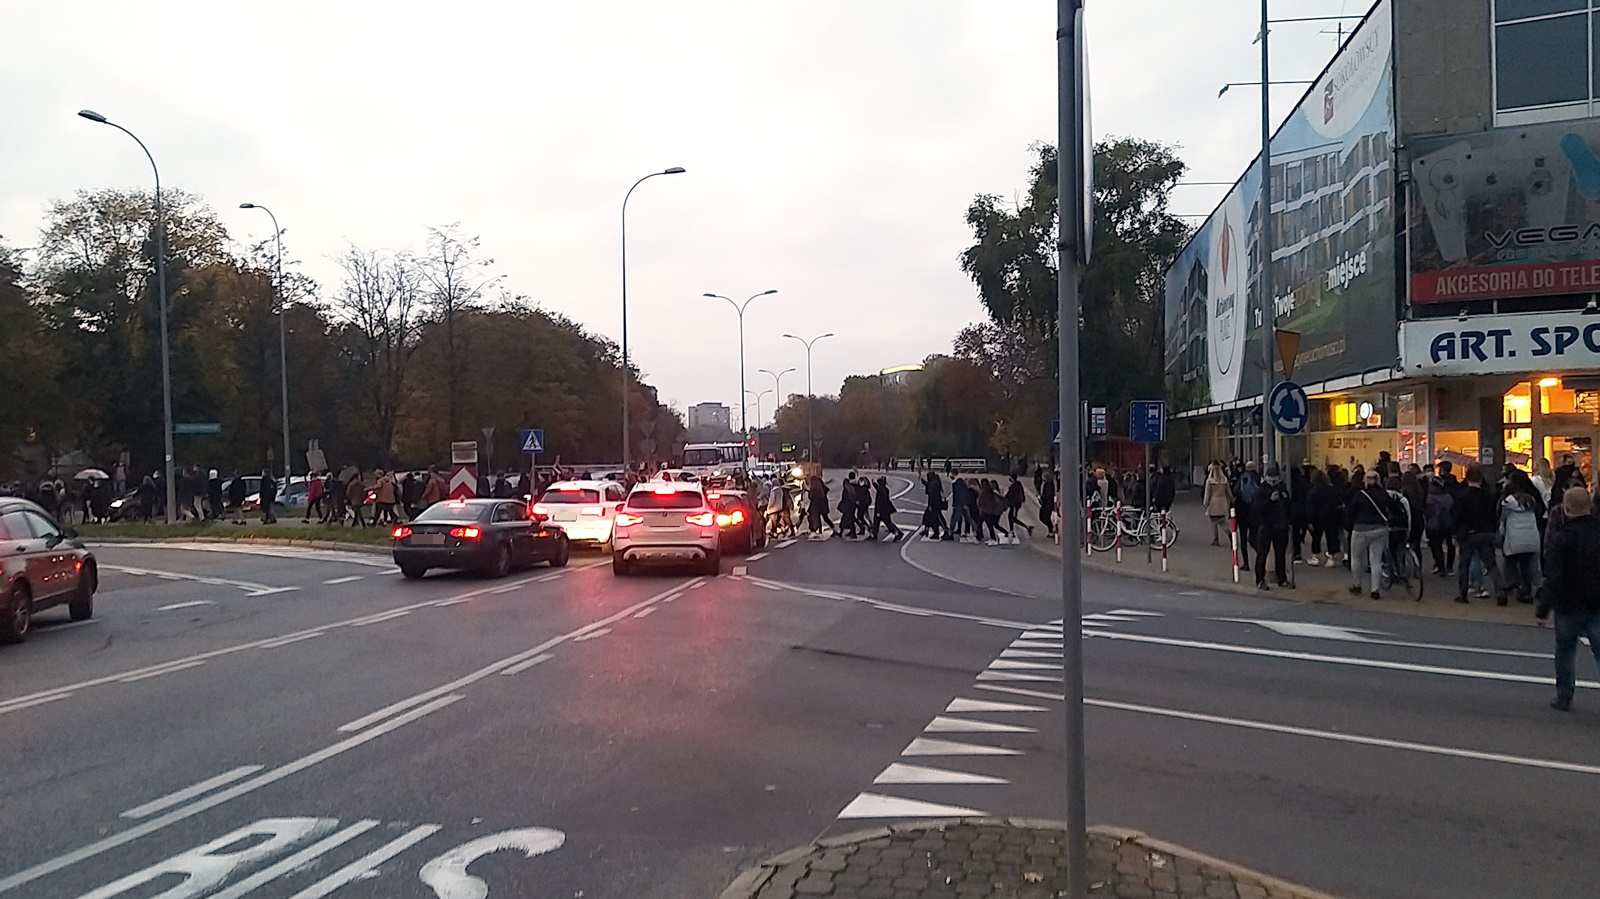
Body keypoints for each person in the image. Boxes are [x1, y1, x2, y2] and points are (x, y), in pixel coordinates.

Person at [1537, 487, 1600, 711]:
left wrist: (1543, 609)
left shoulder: (1561, 539)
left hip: (1568, 604)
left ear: (1566, 508)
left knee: (1565, 651)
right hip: (1597, 602)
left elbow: (1553, 577)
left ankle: (1564, 696)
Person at [1455, 463, 1504, 605]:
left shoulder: (1462, 496)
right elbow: (1495, 515)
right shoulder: (1489, 495)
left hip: (1468, 534)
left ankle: (1463, 594)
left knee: (1464, 564)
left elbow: (1457, 516)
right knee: (1491, 564)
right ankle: (1500, 591)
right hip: (1486, 532)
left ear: (1467, 478)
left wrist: (1457, 532)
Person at [1346, 468, 1392, 600]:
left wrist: (1348, 526)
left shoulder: (1359, 495)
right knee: (1376, 560)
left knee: (1356, 558)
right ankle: (1375, 590)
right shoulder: (1384, 494)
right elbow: (1393, 508)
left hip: (1360, 529)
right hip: (1379, 529)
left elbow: (1351, 512)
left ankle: (1357, 585)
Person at [1500, 474, 1543, 605]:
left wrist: (1501, 534)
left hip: (1513, 537)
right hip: (1530, 537)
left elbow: (1503, 519)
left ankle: (1515, 585)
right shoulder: (1531, 501)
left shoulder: (1508, 502)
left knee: (1511, 563)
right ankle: (1527, 590)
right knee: (1526, 566)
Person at [1251, 463, 1292, 590]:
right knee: (1262, 553)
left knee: (1280, 554)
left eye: (1275, 477)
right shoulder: (1261, 490)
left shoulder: (1282, 488)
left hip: (1281, 526)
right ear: (1266, 477)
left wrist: (1289, 521)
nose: (1273, 480)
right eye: (1270, 477)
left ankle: (1282, 579)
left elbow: (1288, 505)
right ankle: (1260, 580)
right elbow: (1257, 507)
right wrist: (1270, 500)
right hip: (1266, 526)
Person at [1305, 467, 1340, 566]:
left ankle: (1315, 557)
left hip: (1317, 518)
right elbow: (1336, 502)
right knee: (1331, 537)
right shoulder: (1332, 489)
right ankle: (1331, 558)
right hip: (1331, 516)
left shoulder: (1312, 491)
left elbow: (1310, 507)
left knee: (1316, 537)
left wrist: (1310, 520)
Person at [1423, 476, 1456, 575]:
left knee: (1436, 546)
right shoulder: (1448, 497)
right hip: (1447, 523)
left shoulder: (1430, 498)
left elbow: (1428, 512)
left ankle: (1440, 566)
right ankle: (1449, 566)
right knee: (1450, 544)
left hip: (1433, 525)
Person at [1233, 461, 1262, 569]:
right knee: (1253, 537)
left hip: (1242, 513)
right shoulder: (1259, 478)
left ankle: (1246, 564)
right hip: (1255, 513)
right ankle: (1260, 555)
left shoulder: (1242, 478)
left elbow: (1235, 491)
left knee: (1243, 539)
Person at [1201, 462, 1232, 547]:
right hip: (1223, 502)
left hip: (1213, 502)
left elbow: (1207, 494)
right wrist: (1232, 502)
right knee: (1222, 522)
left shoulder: (1209, 481)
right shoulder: (1224, 480)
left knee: (1213, 522)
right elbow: (1229, 492)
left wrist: (1205, 504)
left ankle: (1216, 539)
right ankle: (1229, 534)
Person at [871, 476, 903, 541]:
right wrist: (874, 483)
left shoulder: (881, 490)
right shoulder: (884, 489)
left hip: (882, 510)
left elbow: (880, 502)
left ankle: (896, 533)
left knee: (887, 523)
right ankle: (874, 534)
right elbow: (878, 488)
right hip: (885, 509)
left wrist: (878, 511)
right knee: (878, 522)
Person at [922, 471, 949, 540]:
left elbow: (932, 495)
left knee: (937, 518)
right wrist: (924, 483)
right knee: (930, 517)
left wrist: (931, 505)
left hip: (934, 504)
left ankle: (944, 530)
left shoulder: (933, 485)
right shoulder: (935, 483)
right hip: (936, 504)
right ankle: (928, 530)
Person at [949, 476, 974, 541]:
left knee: (954, 519)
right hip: (961, 504)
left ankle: (950, 532)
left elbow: (960, 495)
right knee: (967, 518)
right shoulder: (962, 485)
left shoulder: (957, 485)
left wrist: (962, 503)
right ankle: (975, 529)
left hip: (958, 504)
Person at [1040, 472, 1057, 539]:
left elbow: (1048, 495)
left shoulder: (1049, 485)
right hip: (1046, 503)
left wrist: (1042, 497)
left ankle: (1051, 528)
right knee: (1044, 517)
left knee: (1044, 517)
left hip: (1047, 503)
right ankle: (1051, 529)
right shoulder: (1047, 484)